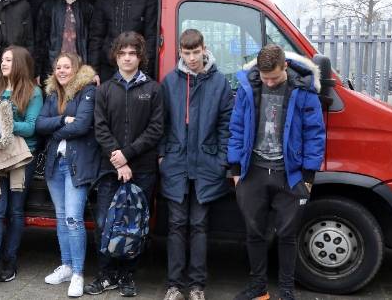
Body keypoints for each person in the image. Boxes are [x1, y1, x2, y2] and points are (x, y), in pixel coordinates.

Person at [228, 44, 326, 300]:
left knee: (287, 234)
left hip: (289, 174)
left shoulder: (303, 90)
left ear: (286, 67)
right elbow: (237, 128)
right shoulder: (248, 87)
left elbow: (315, 134)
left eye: (274, 77)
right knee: (254, 232)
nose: (269, 83)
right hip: (253, 171)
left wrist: (308, 176)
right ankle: (259, 288)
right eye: (265, 78)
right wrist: (236, 170)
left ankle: (286, 291)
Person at [86, 31, 164, 297]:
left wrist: (127, 155)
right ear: (115, 56)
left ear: (140, 57)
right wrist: (118, 160)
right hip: (110, 169)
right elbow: (100, 128)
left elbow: (156, 129)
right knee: (104, 222)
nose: (127, 58)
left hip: (143, 169)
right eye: (122, 53)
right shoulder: (105, 90)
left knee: (136, 224)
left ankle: (127, 275)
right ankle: (106, 274)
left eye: (133, 53)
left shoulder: (154, 89)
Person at [158, 29, 234, 300]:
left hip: (206, 163)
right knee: (177, 224)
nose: (192, 58)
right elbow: (161, 123)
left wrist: (221, 159)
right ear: (180, 51)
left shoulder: (219, 82)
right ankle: (174, 286)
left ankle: (197, 287)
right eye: (187, 52)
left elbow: (226, 124)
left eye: (196, 52)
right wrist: (162, 155)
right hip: (176, 162)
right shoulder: (170, 82)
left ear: (204, 49)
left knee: (200, 225)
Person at [36, 53, 100, 298]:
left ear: (76, 69)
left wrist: (55, 130)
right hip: (55, 163)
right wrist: (63, 120)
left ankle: (78, 274)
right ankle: (66, 266)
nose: (62, 71)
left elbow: (82, 125)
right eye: (58, 67)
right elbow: (39, 124)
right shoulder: (53, 93)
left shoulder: (88, 91)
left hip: (77, 164)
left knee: (73, 218)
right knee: (62, 217)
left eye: (67, 67)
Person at [0, 45, 44, 288]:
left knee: (15, 211)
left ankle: (10, 261)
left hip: (22, 158)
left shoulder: (33, 92)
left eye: (9, 60)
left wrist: (3, 121)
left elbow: (31, 127)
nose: (3, 63)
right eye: (3, 59)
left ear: (20, 63)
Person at [89, 0, 158, 82]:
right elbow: (96, 37)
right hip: (107, 69)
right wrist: (94, 71)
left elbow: (151, 37)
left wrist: (145, 73)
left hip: (136, 68)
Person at [34, 0, 95, 81]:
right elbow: (40, 41)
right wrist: (37, 71)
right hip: (53, 70)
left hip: (80, 70)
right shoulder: (48, 6)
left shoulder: (87, 7)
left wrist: (93, 70)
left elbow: (93, 42)